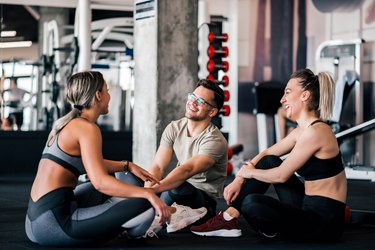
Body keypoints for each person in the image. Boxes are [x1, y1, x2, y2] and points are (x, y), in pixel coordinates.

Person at [25, 71, 207, 246]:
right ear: (98, 95)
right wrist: (149, 194)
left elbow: (85, 164)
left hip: (36, 221)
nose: (109, 96)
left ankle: (121, 220)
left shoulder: (65, 124)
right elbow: (100, 183)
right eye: (107, 90)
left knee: (123, 181)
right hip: (55, 225)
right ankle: (161, 218)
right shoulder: (87, 129)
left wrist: (128, 166)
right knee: (144, 204)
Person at [191, 68, 347, 242]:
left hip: (325, 223)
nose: (282, 99)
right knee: (268, 161)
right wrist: (239, 179)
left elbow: (280, 176)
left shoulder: (317, 132)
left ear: (305, 96)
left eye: (288, 92)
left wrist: (247, 173)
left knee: (252, 204)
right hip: (306, 205)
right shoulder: (302, 131)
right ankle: (228, 218)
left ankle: (266, 225)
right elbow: (267, 154)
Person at [144, 79, 228, 235]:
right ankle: (168, 213)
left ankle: (161, 215)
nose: (192, 103)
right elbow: (158, 166)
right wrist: (146, 191)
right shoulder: (174, 128)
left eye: (200, 101)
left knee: (176, 184)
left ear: (212, 112)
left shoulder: (215, 140)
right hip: (175, 191)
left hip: (202, 201)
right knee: (134, 178)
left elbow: (187, 170)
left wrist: (150, 193)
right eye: (192, 96)